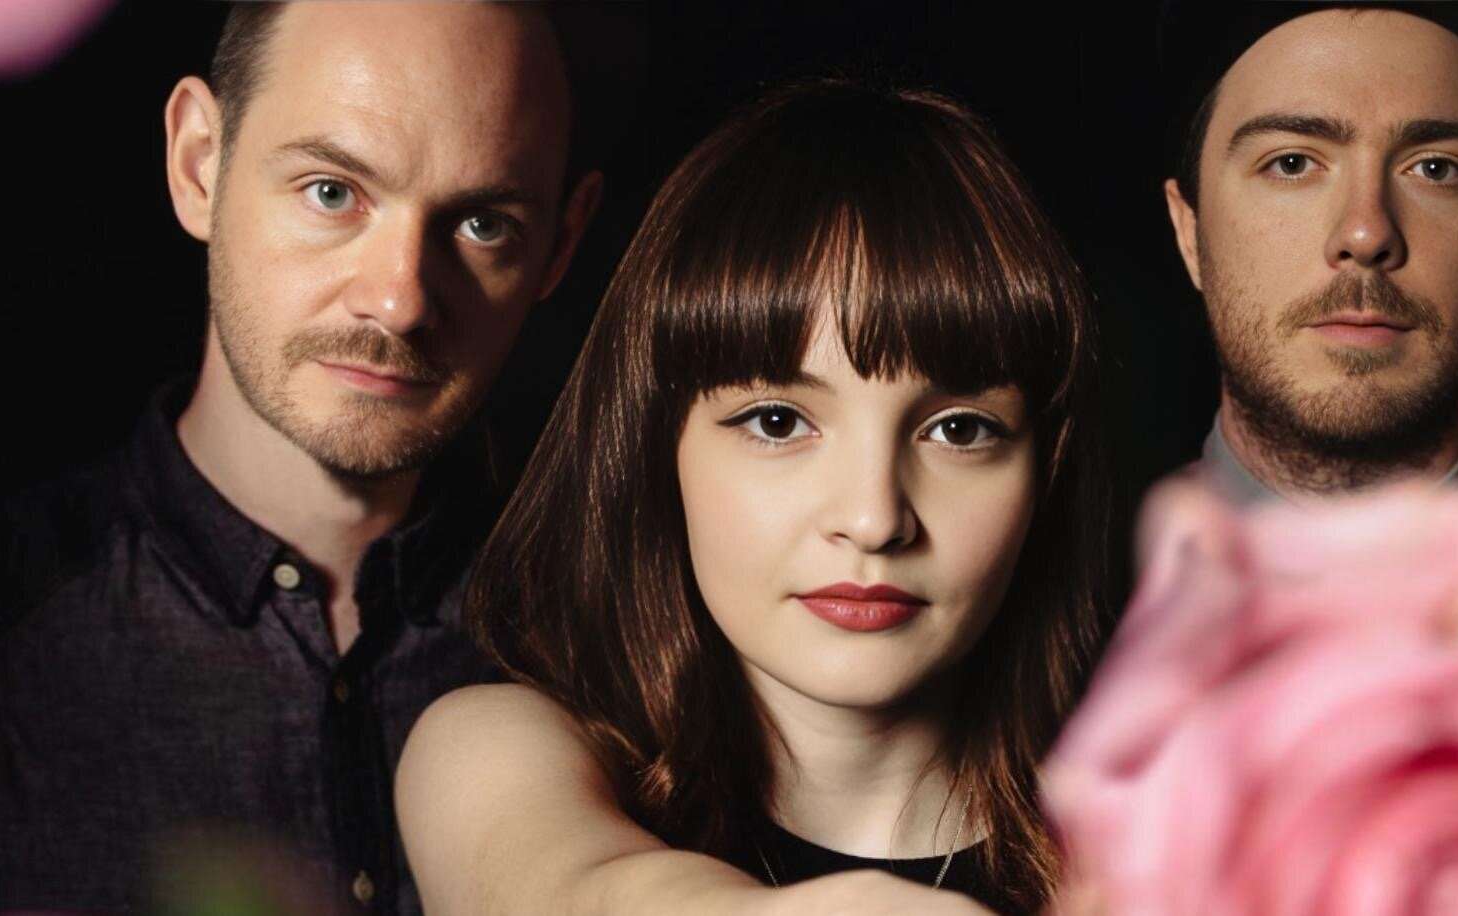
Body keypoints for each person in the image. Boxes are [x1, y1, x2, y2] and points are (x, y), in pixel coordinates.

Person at [0, 3, 601, 912]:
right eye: (332, 192)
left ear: (559, 248)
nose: (401, 300)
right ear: (198, 164)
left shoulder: (616, 636)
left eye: (483, 225)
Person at [396, 80, 1106, 915]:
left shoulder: (1181, 831)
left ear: (1042, 475)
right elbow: (572, 890)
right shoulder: (494, 754)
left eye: (958, 431)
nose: (874, 519)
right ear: (661, 448)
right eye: (778, 421)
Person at [1160, 6, 1458, 503]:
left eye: (1436, 169)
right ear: (1189, 234)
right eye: (1291, 164)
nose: (1366, 233)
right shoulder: (1083, 576)